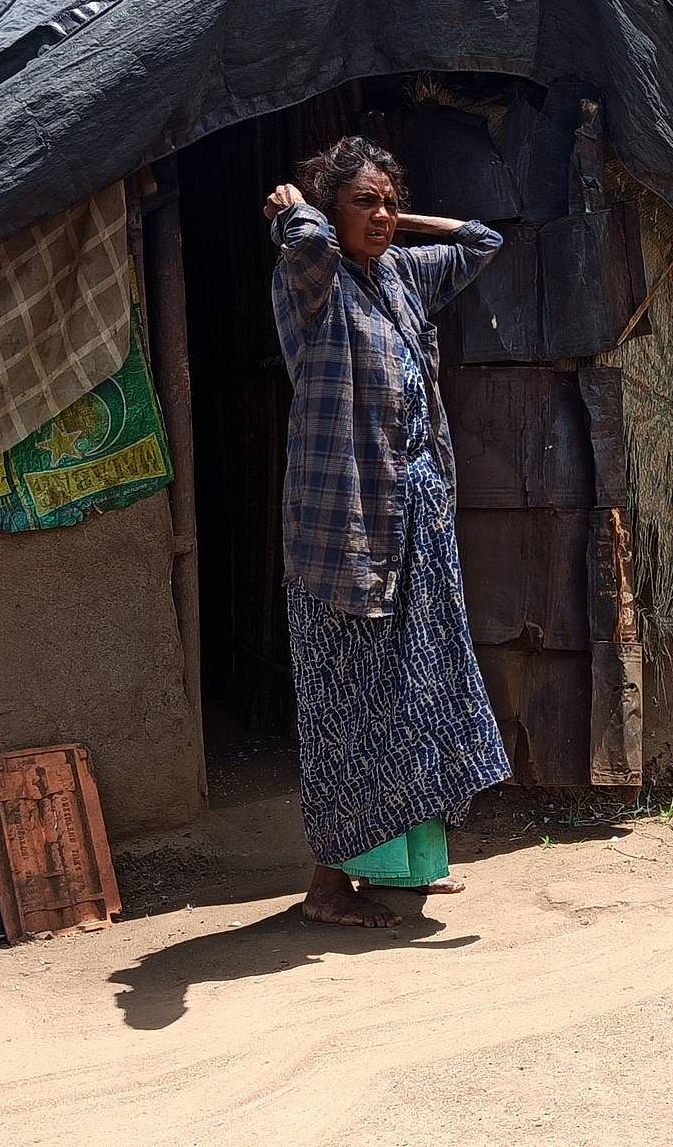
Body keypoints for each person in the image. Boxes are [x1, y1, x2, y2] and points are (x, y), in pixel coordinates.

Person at [263, 135, 513, 929]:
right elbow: (302, 242)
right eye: (363, 201)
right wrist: (303, 215)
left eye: (388, 200)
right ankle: (329, 887)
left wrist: (403, 224)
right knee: (352, 698)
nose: (381, 214)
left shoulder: (400, 275)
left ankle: (408, 861)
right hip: (347, 528)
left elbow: (484, 241)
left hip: (418, 516)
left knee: (420, 686)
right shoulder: (313, 280)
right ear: (331, 212)